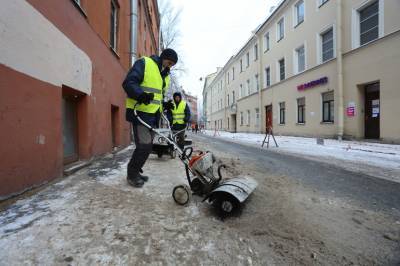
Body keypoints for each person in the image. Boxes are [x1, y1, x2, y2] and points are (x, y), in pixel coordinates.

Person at [122, 48, 178, 188]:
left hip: (153, 116)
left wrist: (164, 105)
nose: (169, 66)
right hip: (140, 113)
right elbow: (129, 83)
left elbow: (156, 97)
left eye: (172, 64)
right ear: (163, 57)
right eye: (169, 62)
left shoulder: (164, 75)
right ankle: (132, 174)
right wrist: (140, 95)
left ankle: (135, 171)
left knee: (147, 147)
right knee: (144, 146)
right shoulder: (145, 63)